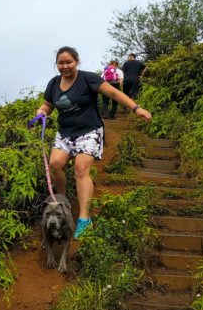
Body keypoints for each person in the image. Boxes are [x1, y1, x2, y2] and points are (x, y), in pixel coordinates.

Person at [34, 46, 152, 239]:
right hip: (65, 133)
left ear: (77, 61)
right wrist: (41, 112)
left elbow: (113, 94)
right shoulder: (54, 83)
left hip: (89, 131)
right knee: (55, 164)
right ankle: (63, 201)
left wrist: (136, 107)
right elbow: (48, 105)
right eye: (61, 63)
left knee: (81, 168)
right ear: (56, 64)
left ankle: (84, 218)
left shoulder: (88, 78)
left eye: (68, 62)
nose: (65, 66)